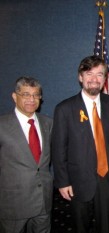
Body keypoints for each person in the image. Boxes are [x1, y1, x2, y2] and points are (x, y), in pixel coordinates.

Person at [51, 55, 109, 233]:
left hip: (108, 179)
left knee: (106, 226)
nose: (94, 79)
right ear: (80, 77)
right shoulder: (64, 108)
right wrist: (62, 181)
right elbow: (58, 148)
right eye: (89, 73)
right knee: (80, 227)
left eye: (100, 74)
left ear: (105, 79)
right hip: (78, 182)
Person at [0, 77, 53, 233]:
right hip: (13, 206)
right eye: (26, 94)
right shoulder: (2, 125)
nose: (32, 99)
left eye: (36, 95)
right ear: (15, 96)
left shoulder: (48, 123)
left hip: (43, 202)